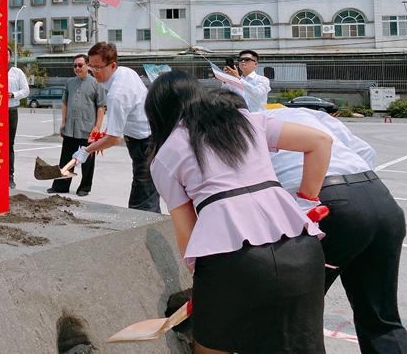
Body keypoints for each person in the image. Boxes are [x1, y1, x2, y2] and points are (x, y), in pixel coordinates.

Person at [146, 71, 331, 354]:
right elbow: (320, 142)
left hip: (231, 260)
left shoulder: (165, 155)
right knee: (298, 345)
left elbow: (187, 230)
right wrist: (306, 201)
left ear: (158, 114)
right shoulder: (247, 120)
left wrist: (204, 283)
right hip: (301, 249)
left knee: (211, 348)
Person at [215, 90, 407, 354]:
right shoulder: (305, 114)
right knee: (380, 317)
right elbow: (366, 152)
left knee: (290, 314)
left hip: (327, 207)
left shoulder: (237, 131)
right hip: (379, 198)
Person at [73, 42, 159, 211]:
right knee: (149, 192)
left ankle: (146, 231)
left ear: (113, 65)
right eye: (91, 67)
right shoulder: (126, 72)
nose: (94, 72)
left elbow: (113, 138)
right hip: (148, 133)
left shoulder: (117, 94)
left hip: (145, 143)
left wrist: (86, 151)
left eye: (98, 68)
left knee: (141, 200)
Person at [47, 54, 105, 197]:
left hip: (88, 129)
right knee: (66, 158)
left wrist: (97, 127)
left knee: (88, 161)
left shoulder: (97, 84)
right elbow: (65, 103)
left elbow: (101, 107)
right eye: (75, 66)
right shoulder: (69, 83)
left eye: (80, 65)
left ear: (88, 66)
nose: (77, 68)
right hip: (70, 128)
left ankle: (84, 187)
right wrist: (63, 123)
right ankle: (61, 186)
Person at [7, 60, 30, 189]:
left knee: (9, 144)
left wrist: (14, 95)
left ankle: (10, 176)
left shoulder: (17, 72)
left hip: (11, 111)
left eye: (7, 54)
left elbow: (26, 90)